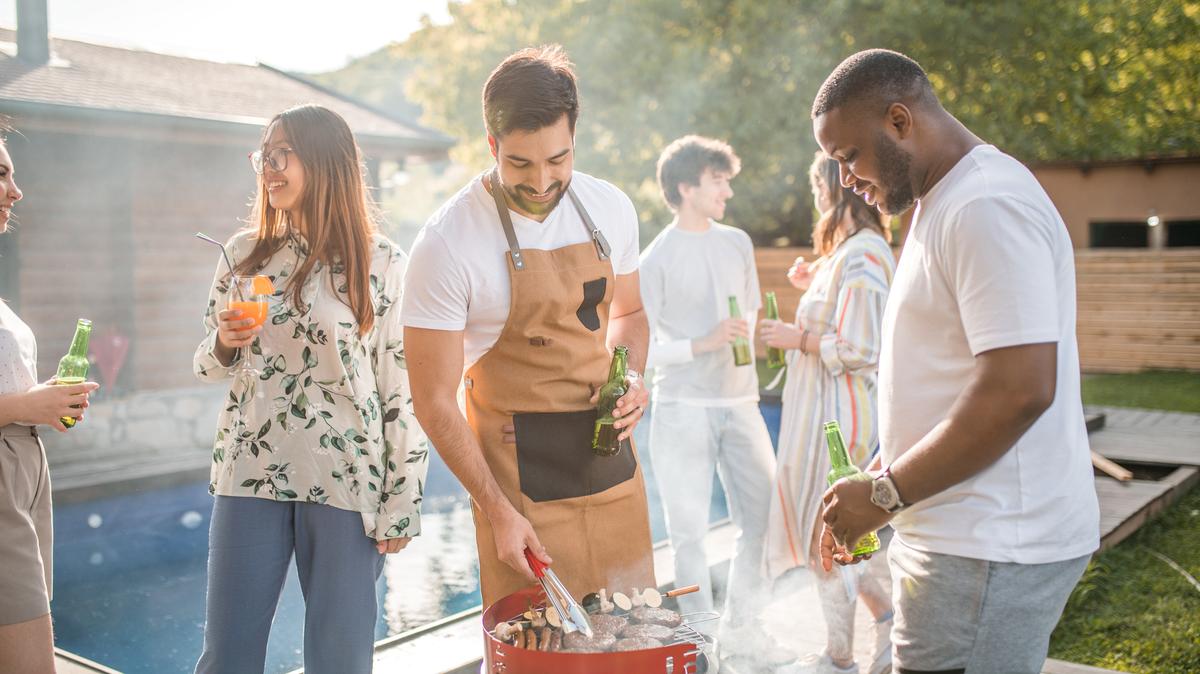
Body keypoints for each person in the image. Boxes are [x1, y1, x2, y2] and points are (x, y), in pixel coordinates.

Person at [813, 49, 1100, 674]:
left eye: (847, 157)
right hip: (962, 538)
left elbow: (1019, 389)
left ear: (898, 120)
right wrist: (870, 482)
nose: (845, 182)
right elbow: (949, 378)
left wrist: (884, 495)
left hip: (992, 544)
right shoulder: (943, 202)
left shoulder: (984, 205)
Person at [402, 45, 654, 608]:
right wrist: (497, 514)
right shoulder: (447, 243)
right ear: (492, 146)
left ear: (574, 141)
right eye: (520, 163)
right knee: (540, 649)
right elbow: (432, 400)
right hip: (519, 493)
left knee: (634, 634)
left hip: (610, 469)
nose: (541, 182)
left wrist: (632, 375)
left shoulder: (610, 207)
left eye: (557, 160)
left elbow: (630, 315)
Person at [192, 104, 427, 674]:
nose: (268, 167)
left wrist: (403, 497)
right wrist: (224, 340)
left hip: (346, 477)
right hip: (250, 467)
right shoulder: (245, 252)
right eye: (263, 155)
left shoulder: (383, 262)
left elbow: (402, 386)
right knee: (227, 657)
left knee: (340, 660)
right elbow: (207, 364)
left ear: (324, 160)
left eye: (281, 154)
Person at [638, 135, 780, 656]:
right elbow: (642, 349)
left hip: (741, 404)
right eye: (718, 180)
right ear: (686, 187)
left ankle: (745, 626)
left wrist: (744, 327)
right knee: (689, 535)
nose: (727, 190)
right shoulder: (654, 260)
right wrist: (703, 343)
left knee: (764, 519)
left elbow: (748, 311)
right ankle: (701, 644)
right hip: (682, 410)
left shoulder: (737, 242)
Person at [761, 152, 895, 674]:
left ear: (836, 190)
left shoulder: (863, 254)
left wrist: (799, 338)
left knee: (833, 534)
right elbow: (848, 304)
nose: (816, 202)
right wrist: (814, 278)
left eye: (819, 190)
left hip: (838, 423)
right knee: (846, 538)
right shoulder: (850, 255)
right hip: (821, 416)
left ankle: (841, 658)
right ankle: (886, 626)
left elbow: (863, 347)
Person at [0, 123, 100, 674]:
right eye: (1, 174)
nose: (16, 191)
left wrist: (43, 407)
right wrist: (24, 407)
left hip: (23, 471)